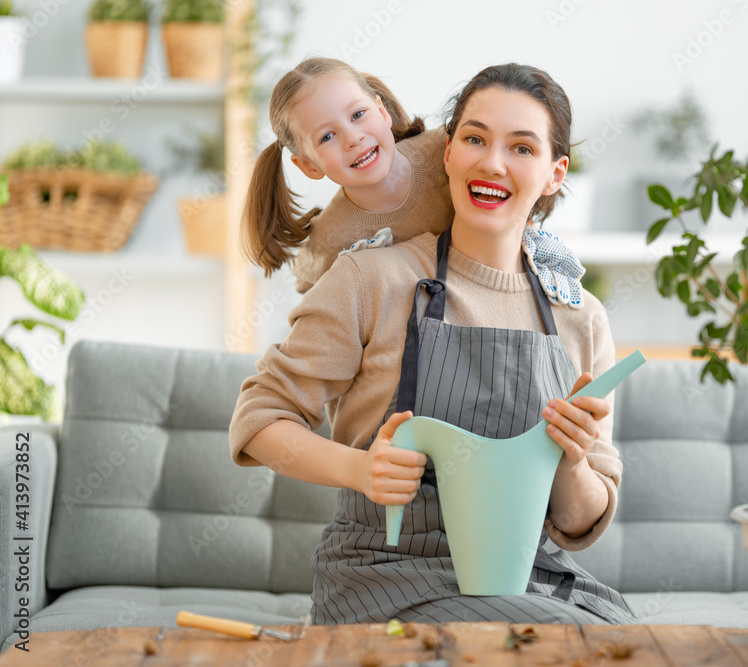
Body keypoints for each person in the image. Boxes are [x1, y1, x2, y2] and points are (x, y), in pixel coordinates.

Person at [230, 63, 636, 625]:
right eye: (474, 138)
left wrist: (570, 461)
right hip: (388, 575)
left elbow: (578, 524)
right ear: (447, 152)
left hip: (529, 576)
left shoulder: (580, 316)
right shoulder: (367, 278)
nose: (491, 162)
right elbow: (259, 420)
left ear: (553, 174)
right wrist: (359, 469)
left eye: (521, 147)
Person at [241, 57, 585, 305]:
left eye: (358, 115)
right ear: (308, 166)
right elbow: (322, 330)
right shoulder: (330, 241)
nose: (353, 138)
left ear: (381, 111)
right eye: (327, 136)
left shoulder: (445, 151)